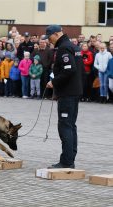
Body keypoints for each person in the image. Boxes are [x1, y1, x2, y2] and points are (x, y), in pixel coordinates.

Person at [44, 25, 83, 169]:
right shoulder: (73, 47)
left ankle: (67, 161)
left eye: (49, 38)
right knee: (71, 126)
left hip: (67, 93)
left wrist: (54, 82)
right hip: (74, 91)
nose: (49, 41)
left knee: (65, 126)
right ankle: (70, 159)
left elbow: (69, 70)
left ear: (55, 34)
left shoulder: (64, 48)